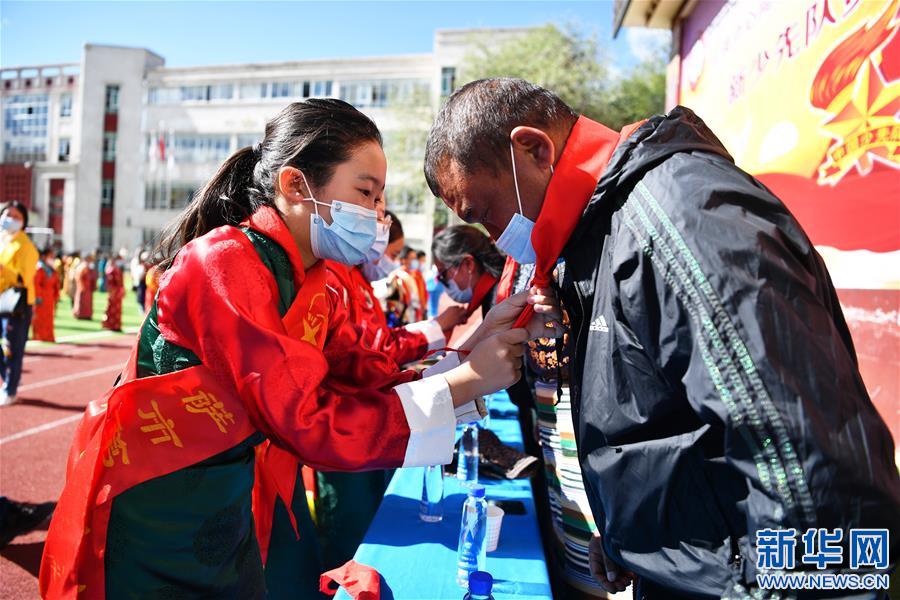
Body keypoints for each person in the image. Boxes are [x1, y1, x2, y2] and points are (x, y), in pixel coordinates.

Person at [41, 99, 553, 599]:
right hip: (156, 496)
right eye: (366, 193)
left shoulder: (317, 280)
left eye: (380, 199)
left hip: (228, 490)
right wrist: (466, 379)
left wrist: (471, 355)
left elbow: (361, 373)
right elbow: (305, 418)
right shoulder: (224, 261)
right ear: (295, 185)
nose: (379, 216)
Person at [423, 78, 900, 598]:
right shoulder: (602, 233)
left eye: (485, 213)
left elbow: (819, 489)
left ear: (534, 149)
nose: (497, 237)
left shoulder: (682, 215)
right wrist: (635, 530)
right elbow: (661, 415)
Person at [0, 202, 39, 406]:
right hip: (1, 299)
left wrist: (3, 269)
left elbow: (24, 278)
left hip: (16, 304)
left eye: (15, 216)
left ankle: (10, 389)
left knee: (12, 347)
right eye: (7, 214)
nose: (9, 218)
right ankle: (10, 378)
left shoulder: (26, 246)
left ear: (23, 221)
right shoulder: (3, 241)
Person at [32, 246, 60, 342]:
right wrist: (38, 297)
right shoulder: (39, 268)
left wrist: (56, 295)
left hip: (50, 297)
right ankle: (39, 336)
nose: (52, 258)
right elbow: (36, 284)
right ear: (44, 257)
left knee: (49, 318)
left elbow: (56, 283)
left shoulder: (51, 269)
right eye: (50, 256)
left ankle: (48, 336)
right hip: (42, 297)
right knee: (40, 318)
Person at [101, 251, 125, 331]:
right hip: (115, 291)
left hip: (114, 291)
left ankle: (112, 324)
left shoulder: (113, 268)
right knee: (113, 308)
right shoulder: (113, 269)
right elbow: (116, 281)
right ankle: (113, 325)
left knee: (113, 307)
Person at [72, 252, 97, 320]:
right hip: (83, 287)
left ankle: (86, 314)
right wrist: (82, 286)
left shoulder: (87, 266)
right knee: (82, 301)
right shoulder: (83, 266)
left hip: (88, 287)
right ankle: (80, 314)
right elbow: (79, 277)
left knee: (87, 302)